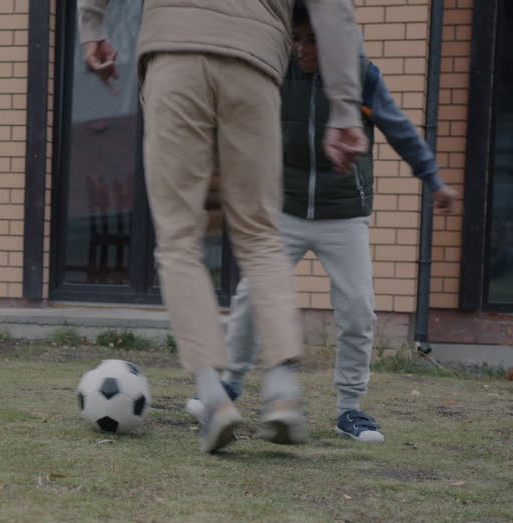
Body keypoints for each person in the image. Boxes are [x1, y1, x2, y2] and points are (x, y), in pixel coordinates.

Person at [78, 0, 367, 453]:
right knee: (260, 232)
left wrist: (92, 24)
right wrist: (346, 107)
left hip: (174, 50)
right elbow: (333, 9)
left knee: (178, 238)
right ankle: (282, 391)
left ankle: (214, 399)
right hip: (253, 60)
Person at [189, 5, 458, 443]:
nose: (302, 49)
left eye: (312, 40)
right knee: (249, 296)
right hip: (285, 210)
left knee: (357, 309)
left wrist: (433, 179)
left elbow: (400, 130)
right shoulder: (275, 75)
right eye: (296, 40)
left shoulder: (361, 76)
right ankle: (229, 388)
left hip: (344, 214)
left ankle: (350, 409)